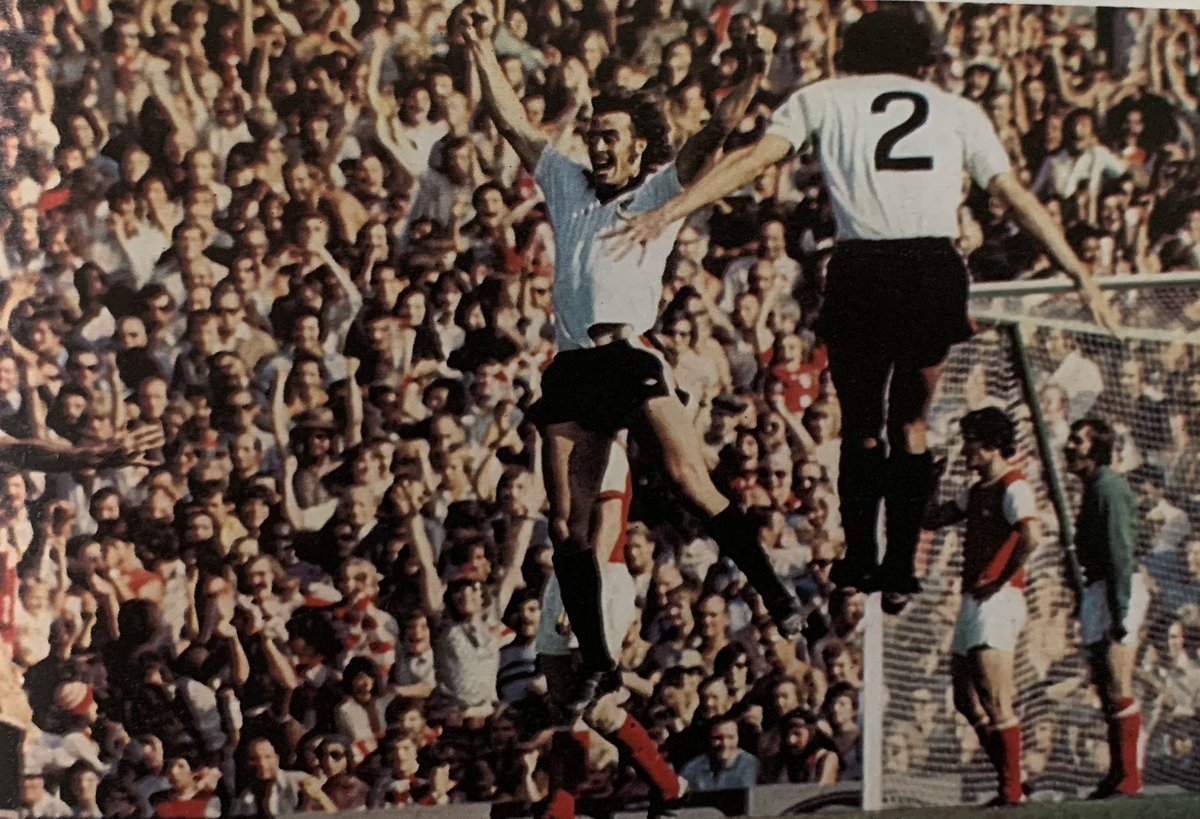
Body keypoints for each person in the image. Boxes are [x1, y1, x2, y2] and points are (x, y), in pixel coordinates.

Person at [605, 8, 1119, 614]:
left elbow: (756, 158)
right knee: (912, 424)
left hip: (865, 264)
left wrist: (672, 210)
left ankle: (860, 555)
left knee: (862, 424)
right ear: (920, 60)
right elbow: (1014, 195)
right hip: (932, 264)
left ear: (853, 53)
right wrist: (1078, 270)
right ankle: (901, 565)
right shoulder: (956, 109)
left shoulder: (825, 96)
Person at [463, 0, 803, 710]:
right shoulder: (567, 185)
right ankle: (598, 658)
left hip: (629, 353)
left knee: (688, 478)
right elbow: (513, 122)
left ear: (638, 146)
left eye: (611, 136)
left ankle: (776, 591)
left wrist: (753, 69)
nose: (599, 146)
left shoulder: (657, 190)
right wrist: (479, 47)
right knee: (567, 524)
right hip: (573, 363)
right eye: (594, 135)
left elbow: (715, 131)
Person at [924, 408, 1041, 806]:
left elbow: (1032, 535)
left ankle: (1012, 791)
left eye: (970, 441)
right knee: (964, 697)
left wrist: (1001, 577)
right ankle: (1015, 779)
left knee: (995, 698)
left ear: (991, 444)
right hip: (974, 598)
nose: (964, 450)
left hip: (998, 600)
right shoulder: (977, 490)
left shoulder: (1013, 485)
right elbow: (932, 519)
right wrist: (931, 481)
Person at [1063, 418, 1148, 799]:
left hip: (1117, 588)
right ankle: (1117, 772)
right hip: (1100, 588)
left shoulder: (1108, 488)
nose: (1069, 446)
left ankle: (1130, 776)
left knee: (1118, 683)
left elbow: (1120, 552)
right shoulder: (1093, 486)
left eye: (1078, 441)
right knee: (1103, 684)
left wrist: (1120, 608)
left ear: (1096, 448)